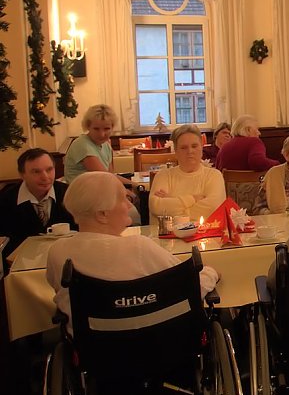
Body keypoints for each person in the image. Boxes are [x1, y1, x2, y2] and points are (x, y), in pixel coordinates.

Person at [46, 172, 219, 336]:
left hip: (92, 351)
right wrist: (212, 273)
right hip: (158, 345)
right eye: (123, 198)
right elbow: (190, 283)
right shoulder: (139, 248)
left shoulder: (58, 251)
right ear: (102, 214)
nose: (130, 205)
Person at [0, 148, 77, 260]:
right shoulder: (6, 200)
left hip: (64, 262)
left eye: (49, 169)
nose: (45, 177)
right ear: (22, 174)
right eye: (36, 172)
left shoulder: (69, 194)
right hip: (19, 267)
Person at [149, 125, 226, 223]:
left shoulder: (214, 176)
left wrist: (171, 201)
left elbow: (213, 208)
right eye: (183, 148)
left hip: (205, 235)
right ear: (176, 152)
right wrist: (192, 199)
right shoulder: (163, 176)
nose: (190, 151)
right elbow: (156, 206)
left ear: (201, 148)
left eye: (194, 146)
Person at [64, 104, 126, 185]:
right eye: (96, 129)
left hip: (99, 190)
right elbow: (106, 177)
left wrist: (135, 185)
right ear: (88, 126)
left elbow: (111, 176)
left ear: (112, 127)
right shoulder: (82, 144)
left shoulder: (106, 145)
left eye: (106, 129)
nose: (101, 134)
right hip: (82, 193)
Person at [214, 114, 279, 171]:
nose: (259, 133)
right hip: (250, 184)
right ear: (248, 130)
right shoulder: (254, 141)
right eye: (257, 129)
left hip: (225, 184)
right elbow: (257, 162)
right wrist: (277, 164)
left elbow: (217, 170)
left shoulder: (224, 146)